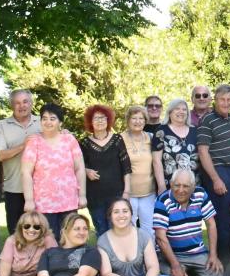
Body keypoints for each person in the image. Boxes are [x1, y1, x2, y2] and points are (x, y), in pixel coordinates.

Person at [98, 199, 175, 276]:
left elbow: (153, 267)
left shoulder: (143, 235)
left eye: (125, 211)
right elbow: (106, 274)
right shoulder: (103, 241)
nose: (121, 215)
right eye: (116, 212)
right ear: (110, 216)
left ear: (131, 214)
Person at [154, 169, 225, 276]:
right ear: (171, 184)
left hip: (197, 252)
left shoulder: (201, 194)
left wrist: (213, 255)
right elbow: (160, 237)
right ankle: (169, 267)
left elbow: (211, 224)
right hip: (174, 255)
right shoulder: (162, 200)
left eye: (186, 186)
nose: (181, 190)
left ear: (193, 187)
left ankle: (189, 272)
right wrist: (175, 265)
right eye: (177, 185)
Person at [21, 103, 86, 242]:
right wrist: (29, 200)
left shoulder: (69, 140)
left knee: (70, 239)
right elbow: (26, 172)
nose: (48, 122)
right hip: (44, 203)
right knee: (49, 241)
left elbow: (80, 168)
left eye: (52, 118)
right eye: (44, 118)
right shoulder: (34, 142)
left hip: (68, 201)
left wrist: (82, 195)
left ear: (60, 122)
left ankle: (72, 264)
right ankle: (52, 264)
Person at [197, 84, 230, 261]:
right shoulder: (207, 120)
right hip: (218, 171)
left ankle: (226, 254)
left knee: (228, 215)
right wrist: (215, 179)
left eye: (229, 100)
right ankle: (223, 259)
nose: (226, 103)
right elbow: (202, 151)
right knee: (222, 218)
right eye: (222, 99)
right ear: (215, 100)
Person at [80, 105, 132, 237]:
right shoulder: (84, 143)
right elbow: (77, 166)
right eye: (96, 118)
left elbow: (126, 167)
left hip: (116, 194)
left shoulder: (117, 140)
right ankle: (104, 257)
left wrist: (126, 192)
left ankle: (121, 257)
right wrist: (86, 171)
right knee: (102, 231)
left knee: (118, 229)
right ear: (90, 122)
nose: (100, 121)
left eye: (103, 117)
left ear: (108, 120)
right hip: (95, 197)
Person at [0, 89, 41, 234]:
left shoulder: (42, 122)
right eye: (17, 103)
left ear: (31, 103)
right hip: (14, 188)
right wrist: (24, 145)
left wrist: (64, 133)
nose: (21, 106)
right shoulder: (1, 125)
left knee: (41, 232)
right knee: (16, 233)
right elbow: (1, 155)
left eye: (25, 102)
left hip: (41, 189)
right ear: (11, 105)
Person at [120, 105, 159, 238]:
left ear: (145, 120)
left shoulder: (151, 137)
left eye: (141, 118)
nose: (137, 121)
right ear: (128, 120)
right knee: (128, 226)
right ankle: (130, 256)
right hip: (128, 192)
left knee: (148, 228)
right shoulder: (120, 139)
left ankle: (150, 256)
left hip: (148, 192)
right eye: (134, 118)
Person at [152, 98, 199, 192]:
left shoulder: (195, 131)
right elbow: (156, 161)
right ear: (170, 112)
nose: (181, 112)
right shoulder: (161, 131)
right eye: (177, 109)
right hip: (170, 185)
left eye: (184, 109)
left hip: (193, 185)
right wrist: (161, 186)